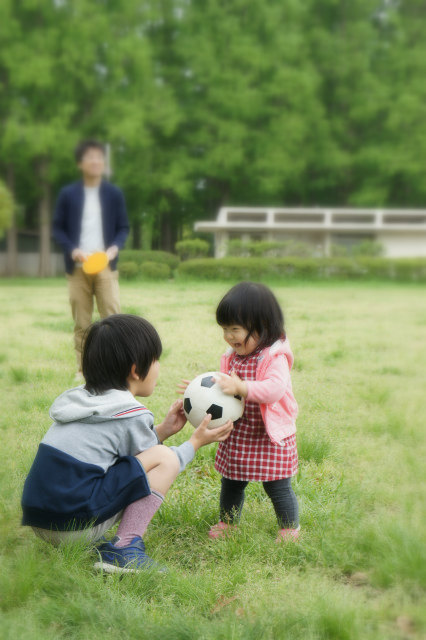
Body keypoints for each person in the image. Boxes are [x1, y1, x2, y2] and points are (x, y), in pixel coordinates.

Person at [21, 314, 233, 573]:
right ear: (135, 370)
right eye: (156, 360)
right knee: (165, 457)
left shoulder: (82, 402)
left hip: (41, 522)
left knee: (147, 457)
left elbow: (125, 452)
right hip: (72, 527)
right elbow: (157, 459)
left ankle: (99, 540)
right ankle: (125, 548)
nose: (158, 367)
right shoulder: (130, 413)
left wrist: (164, 429)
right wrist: (195, 442)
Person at [208, 281, 300, 542]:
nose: (228, 336)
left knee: (278, 485)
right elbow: (227, 388)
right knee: (232, 482)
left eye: (235, 329)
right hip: (242, 431)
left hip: (270, 434)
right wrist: (204, 390)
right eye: (224, 329)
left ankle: (289, 527)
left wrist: (242, 386)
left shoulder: (274, 356)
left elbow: (274, 390)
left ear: (262, 325)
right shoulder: (233, 355)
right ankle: (228, 523)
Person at [52, 140, 130, 374]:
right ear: (80, 163)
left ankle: (118, 370)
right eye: (90, 157)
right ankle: (84, 372)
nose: (96, 161)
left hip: (105, 265)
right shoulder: (68, 194)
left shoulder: (114, 194)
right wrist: (73, 250)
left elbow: (123, 227)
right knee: (82, 323)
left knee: (113, 319)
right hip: (78, 267)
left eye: (99, 157)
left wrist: (114, 248)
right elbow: (57, 228)